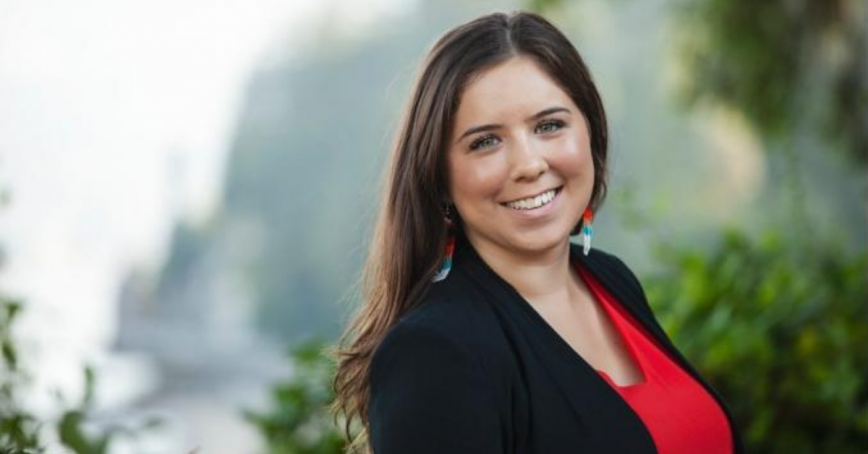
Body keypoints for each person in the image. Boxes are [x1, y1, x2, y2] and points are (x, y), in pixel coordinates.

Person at [332, 10, 744, 454]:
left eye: (549, 125)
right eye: (486, 141)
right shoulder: (432, 353)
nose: (529, 164)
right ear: (439, 177)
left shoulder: (610, 278)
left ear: (591, 133)